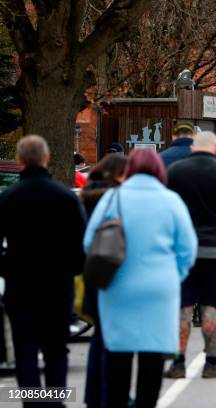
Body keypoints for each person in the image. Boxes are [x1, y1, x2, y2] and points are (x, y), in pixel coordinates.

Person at [83, 149, 197, 408]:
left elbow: (90, 241)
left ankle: (117, 402)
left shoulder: (112, 199)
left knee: (117, 353)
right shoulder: (171, 201)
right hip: (159, 288)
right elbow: (188, 249)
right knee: (152, 355)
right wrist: (173, 274)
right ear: (159, 169)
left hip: (117, 286)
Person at [0, 135, 86, 406]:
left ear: (20, 160)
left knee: (25, 350)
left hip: (20, 283)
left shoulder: (8, 199)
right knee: (56, 350)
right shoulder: (65, 198)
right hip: (57, 284)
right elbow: (80, 246)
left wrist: (6, 267)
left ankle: (33, 403)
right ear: (47, 159)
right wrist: (71, 270)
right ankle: (54, 401)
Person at [165, 131, 216, 379]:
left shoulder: (176, 172)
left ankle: (178, 363)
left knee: (183, 306)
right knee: (211, 305)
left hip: (182, 250)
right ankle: (211, 362)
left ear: (193, 148)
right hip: (215, 247)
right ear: (215, 148)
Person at [79, 154, 127, 408]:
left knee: (100, 336)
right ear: (119, 174)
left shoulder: (85, 195)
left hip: (93, 271)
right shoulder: (118, 199)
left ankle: (92, 395)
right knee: (116, 339)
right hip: (114, 271)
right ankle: (113, 394)